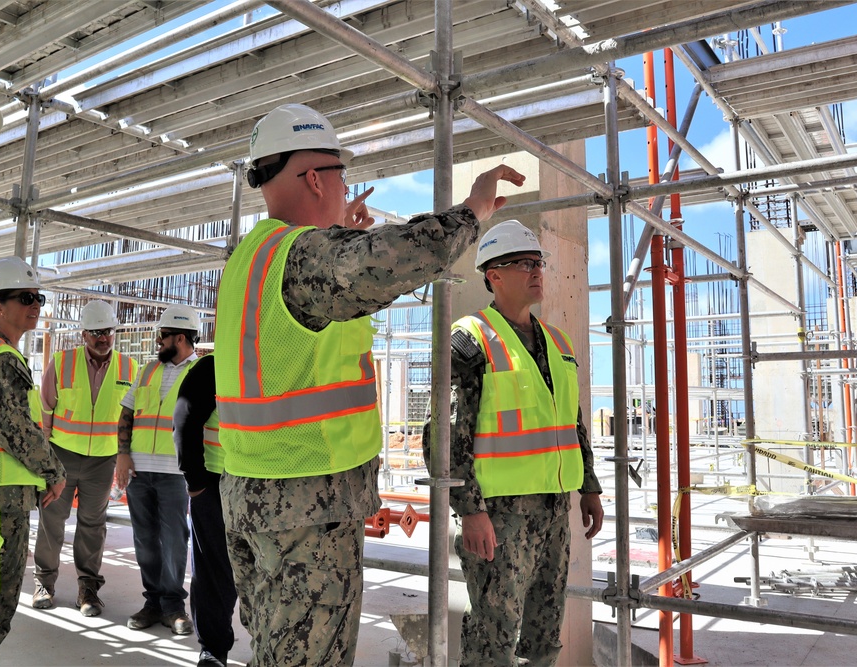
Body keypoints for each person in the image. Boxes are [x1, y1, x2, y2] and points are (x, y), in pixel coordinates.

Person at [214, 102, 524, 666]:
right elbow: (396, 257)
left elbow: (308, 336)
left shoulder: (247, 258)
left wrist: (337, 241)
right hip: (306, 503)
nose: (344, 187)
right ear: (314, 178)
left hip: (255, 496)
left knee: (275, 651)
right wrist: (473, 211)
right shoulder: (299, 255)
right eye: (341, 175)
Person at [423, 220, 604, 667]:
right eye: (524, 263)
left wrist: (590, 485)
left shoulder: (558, 342)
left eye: (538, 262)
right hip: (499, 515)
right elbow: (445, 436)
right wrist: (470, 511)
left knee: (545, 633)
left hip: (552, 508)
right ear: (494, 275)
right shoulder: (470, 338)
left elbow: (571, 420)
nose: (537, 271)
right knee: (493, 638)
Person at [32, 300, 137, 617]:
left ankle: (87, 589)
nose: (103, 338)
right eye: (96, 333)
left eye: (108, 331)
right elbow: (45, 413)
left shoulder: (129, 368)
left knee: (93, 525)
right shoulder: (61, 363)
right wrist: (46, 461)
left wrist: (123, 456)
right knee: (52, 520)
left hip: (103, 461)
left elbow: (130, 419)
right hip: (61, 457)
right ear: (83, 334)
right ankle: (44, 583)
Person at [0, 257, 66, 664]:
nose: (36, 305)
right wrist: (53, 471)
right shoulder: (0, 360)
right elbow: (16, 430)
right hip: (2, 503)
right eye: (25, 297)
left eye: (39, 297)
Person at [115, 304, 200, 635]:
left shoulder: (202, 372)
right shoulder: (148, 370)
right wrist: (123, 455)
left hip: (177, 474)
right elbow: (128, 413)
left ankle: (174, 606)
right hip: (139, 470)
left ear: (179, 338)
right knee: (146, 540)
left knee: (175, 540)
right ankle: (153, 603)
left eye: (162, 337)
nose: (157, 342)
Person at [173, 353, 237, 667]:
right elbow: (185, 416)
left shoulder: (284, 360)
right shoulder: (216, 364)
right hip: (215, 483)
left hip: (272, 481)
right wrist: (196, 482)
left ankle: (270, 646)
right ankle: (213, 649)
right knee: (214, 571)